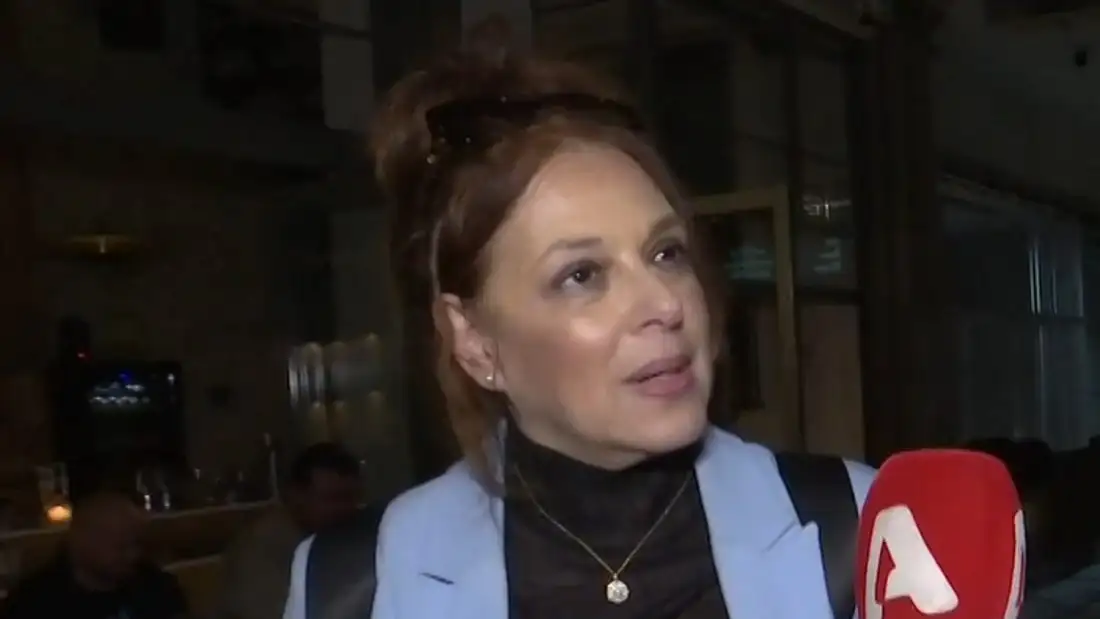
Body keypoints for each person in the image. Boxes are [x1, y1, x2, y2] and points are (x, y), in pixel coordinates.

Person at [284, 20, 875, 619]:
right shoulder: (355, 587)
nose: (666, 304)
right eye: (582, 275)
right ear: (475, 340)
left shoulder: (860, 529)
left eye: (666, 253)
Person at [218, 442, 361, 619]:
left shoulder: (339, 538)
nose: (343, 509)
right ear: (296, 495)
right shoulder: (263, 545)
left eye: (350, 498)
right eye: (332, 499)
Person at [0, 492, 186, 619]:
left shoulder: (154, 584)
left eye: (136, 544)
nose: (132, 555)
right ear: (81, 540)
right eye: (120, 547)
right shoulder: (33, 603)